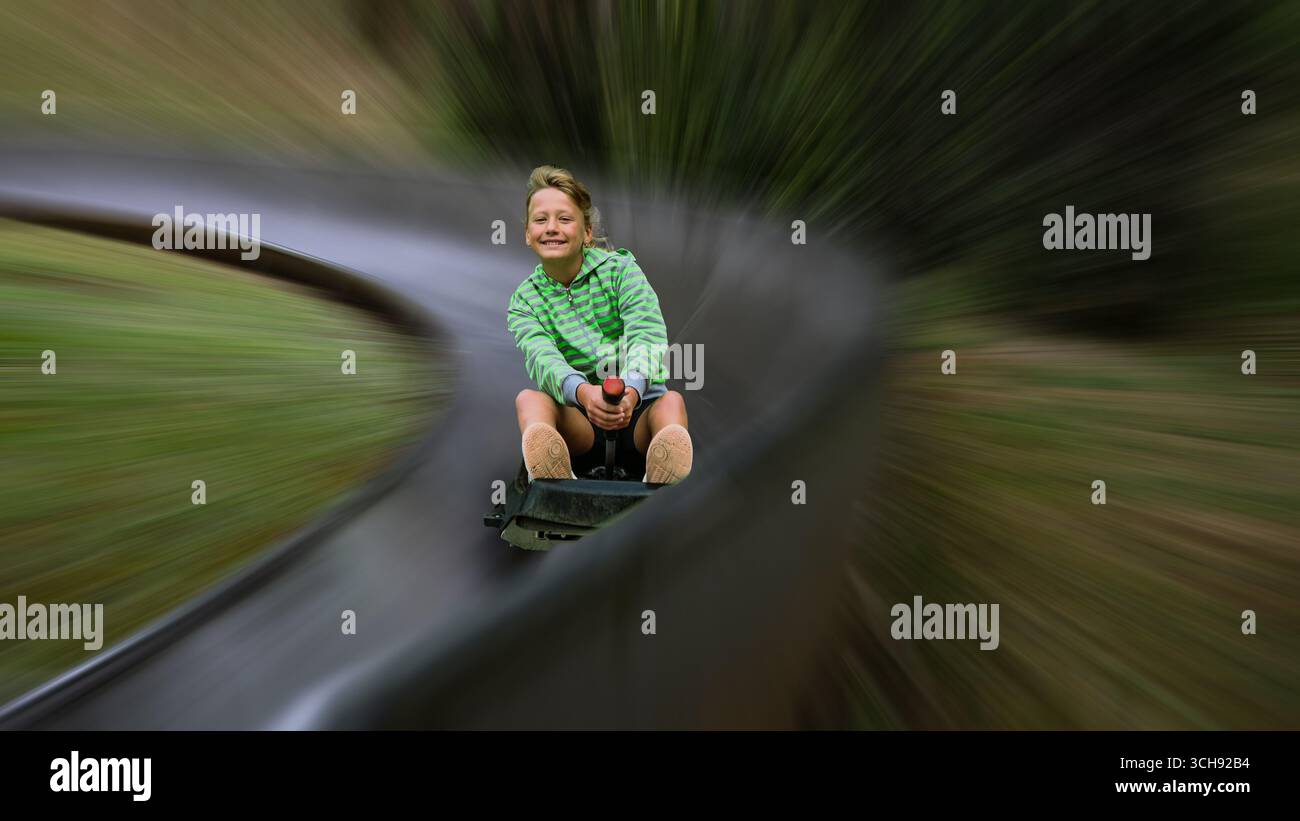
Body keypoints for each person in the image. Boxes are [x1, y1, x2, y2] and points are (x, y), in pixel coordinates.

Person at [508, 165, 692, 484]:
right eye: (540, 220)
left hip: (637, 415)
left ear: (587, 232)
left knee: (672, 402)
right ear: (528, 233)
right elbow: (542, 358)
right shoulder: (524, 302)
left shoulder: (622, 271)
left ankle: (665, 470)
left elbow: (647, 335)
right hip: (580, 423)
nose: (552, 227)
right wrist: (582, 393)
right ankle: (556, 480)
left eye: (565, 219)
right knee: (529, 400)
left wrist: (632, 391)